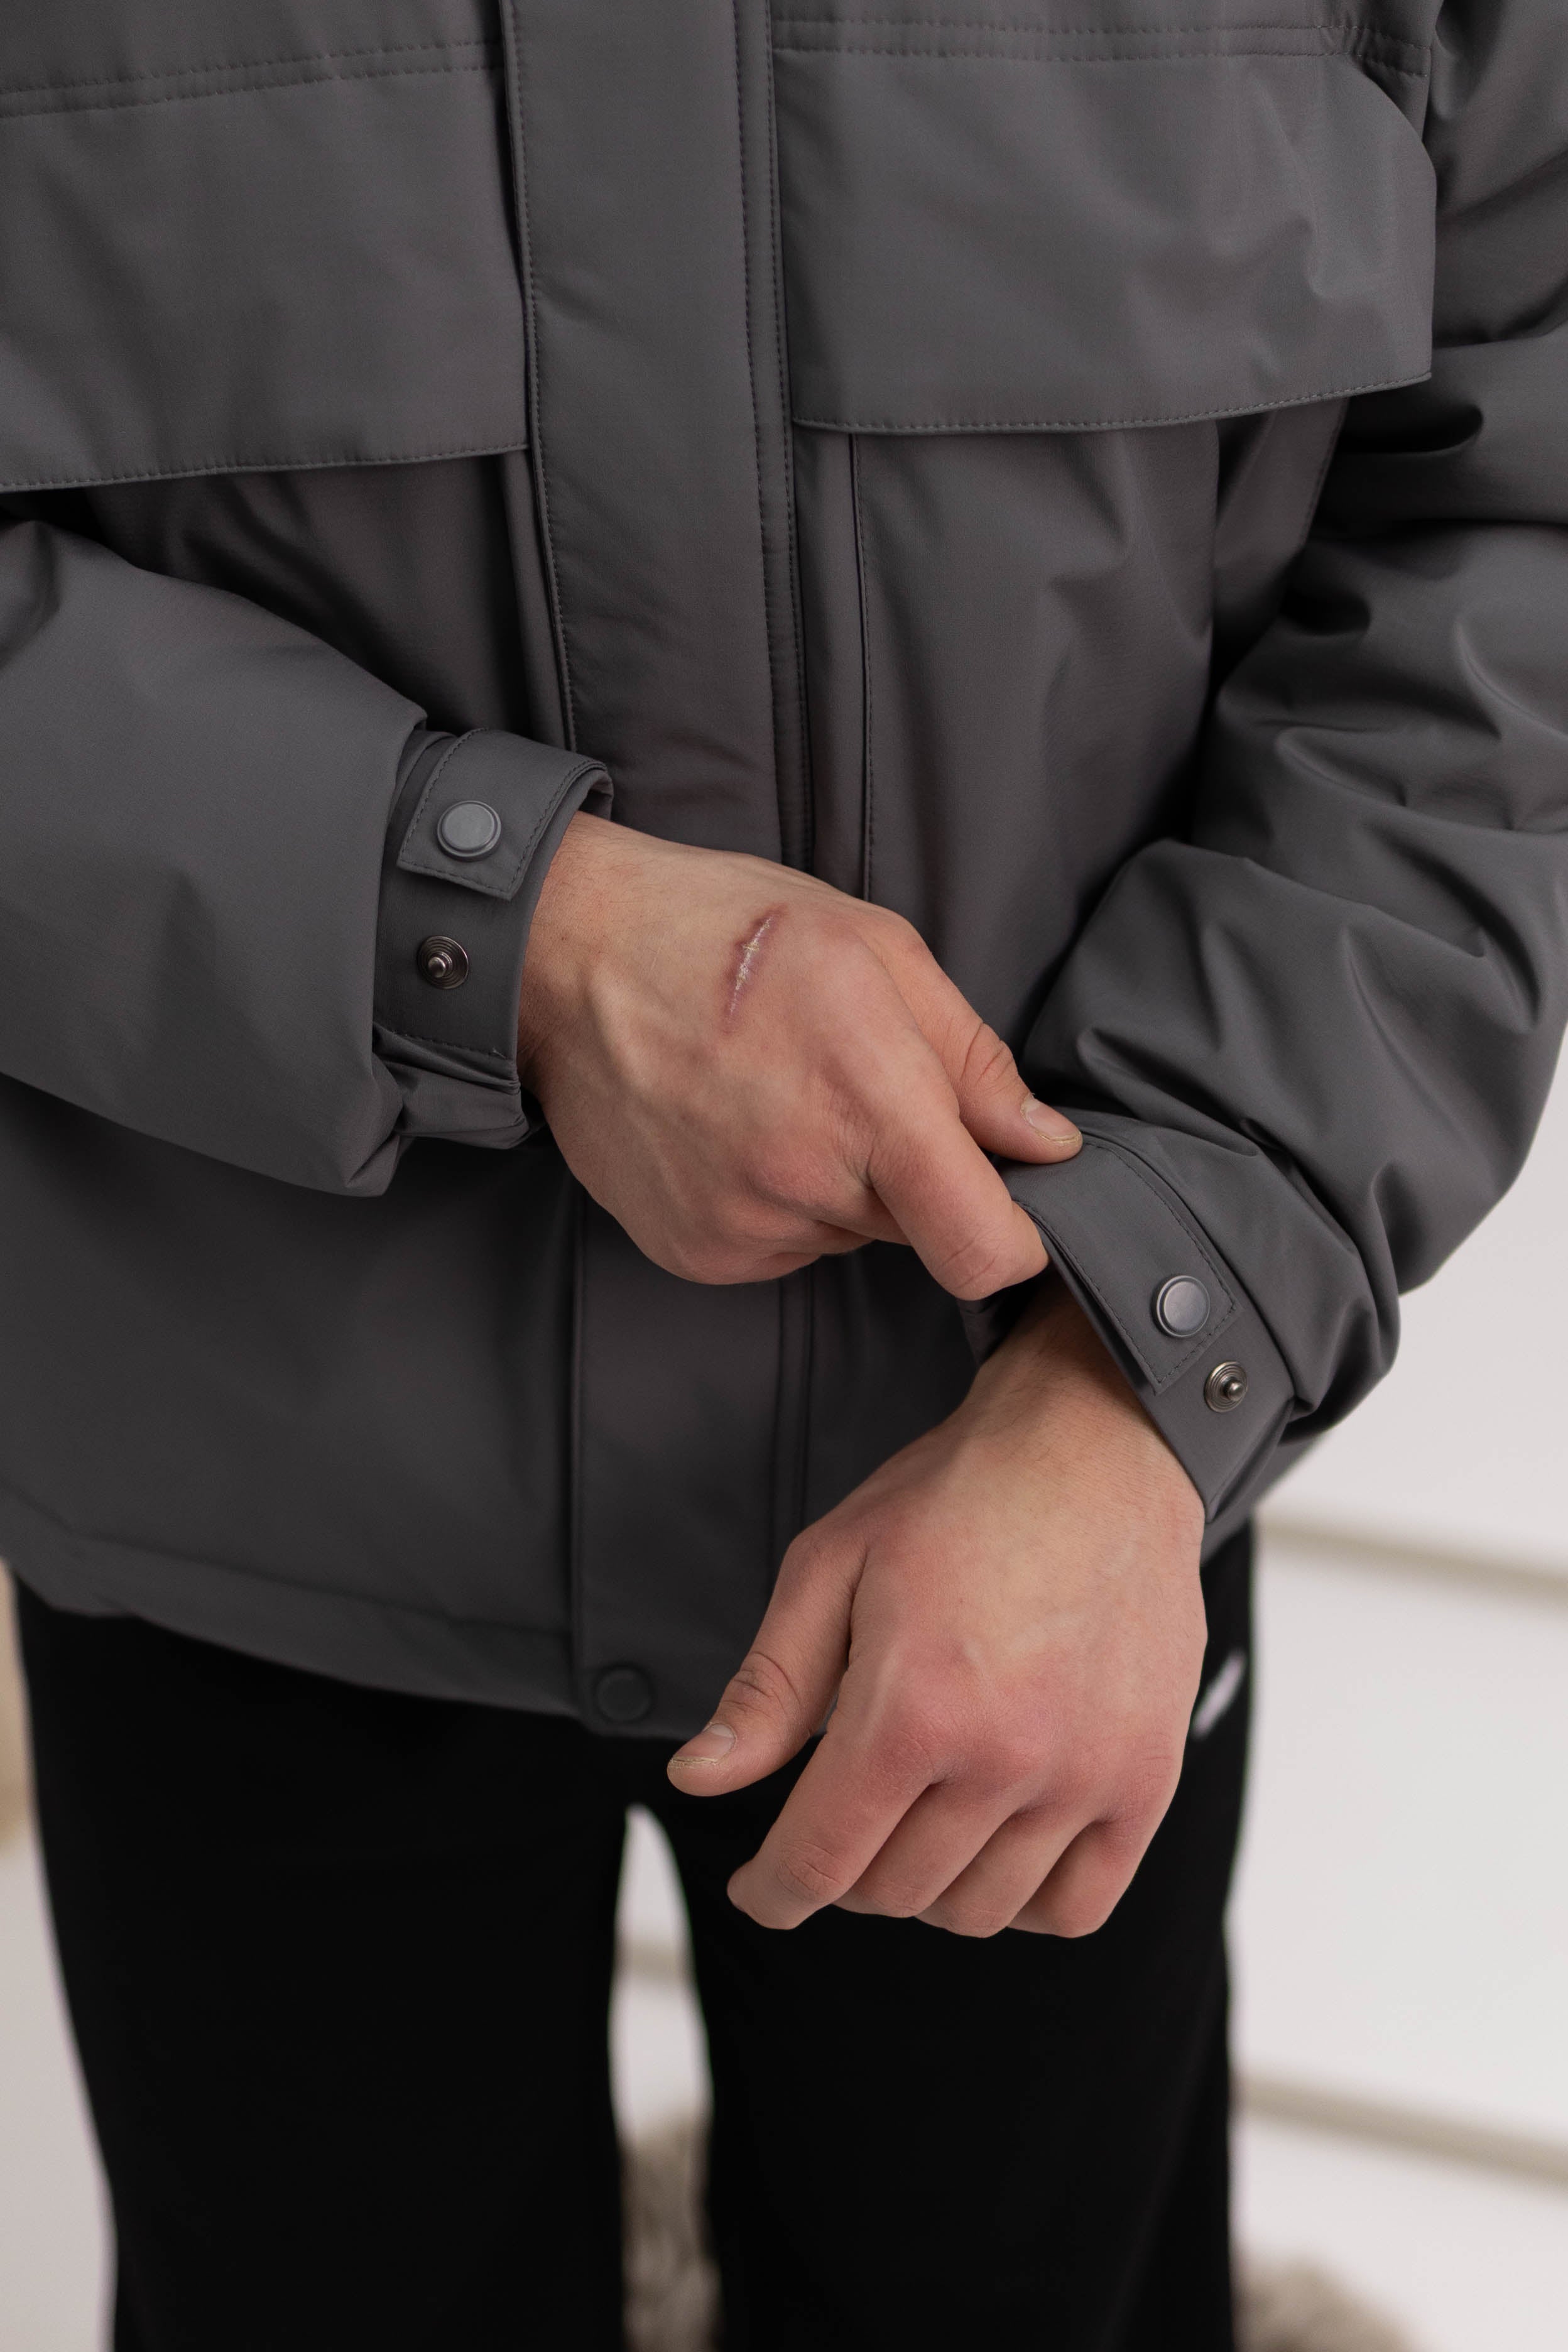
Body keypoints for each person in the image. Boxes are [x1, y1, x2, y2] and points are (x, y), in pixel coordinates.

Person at [3, 2, 1565, 2345]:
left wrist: (1154, 1337)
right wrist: (492, 932)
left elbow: (1511, 516)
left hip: (1055, 1496)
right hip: (235, 1497)